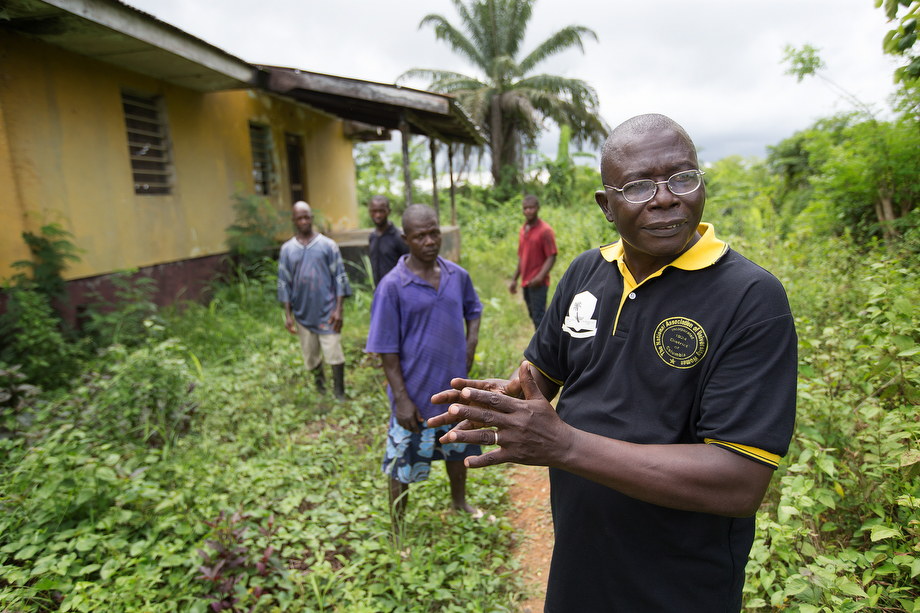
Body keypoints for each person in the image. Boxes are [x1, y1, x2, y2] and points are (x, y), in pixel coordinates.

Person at [428, 114, 798, 612]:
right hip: (580, 561)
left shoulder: (750, 298)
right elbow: (545, 371)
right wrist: (504, 401)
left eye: (682, 177)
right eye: (639, 186)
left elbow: (738, 482)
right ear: (607, 204)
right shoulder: (586, 272)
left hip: (678, 583)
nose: (666, 197)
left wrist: (565, 445)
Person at [365, 204, 484, 528]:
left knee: (458, 453)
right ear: (406, 238)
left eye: (434, 233)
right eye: (421, 236)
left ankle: (459, 504)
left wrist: (470, 344)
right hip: (415, 399)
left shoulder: (457, 276)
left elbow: (473, 310)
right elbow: (386, 352)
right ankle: (398, 529)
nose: (430, 241)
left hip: (454, 393)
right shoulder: (392, 286)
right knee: (401, 465)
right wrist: (401, 399)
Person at [278, 201, 353, 400]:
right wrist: (288, 314)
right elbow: (284, 282)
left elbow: (339, 277)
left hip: (327, 311)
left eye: (306, 217)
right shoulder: (287, 250)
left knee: (334, 353)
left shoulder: (328, 245)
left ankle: (339, 392)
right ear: (293, 221)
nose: (303, 221)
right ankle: (320, 387)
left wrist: (339, 309)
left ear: (312, 218)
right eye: (299, 218)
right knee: (311, 356)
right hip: (302, 313)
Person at [509, 194, 557, 328]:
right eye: (525, 208)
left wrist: (539, 278)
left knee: (539, 318)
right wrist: (514, 279)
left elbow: (552, 256)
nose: (528, 211)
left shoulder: (545, 230)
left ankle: (543, 347)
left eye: (531, 208)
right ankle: (545, 343)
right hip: (526, 282)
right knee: (533, 315)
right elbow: (521, 256)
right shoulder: (523, 229)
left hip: (538, 284)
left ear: (538, 208)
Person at [367, 195, 409, 287]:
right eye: (375, 211)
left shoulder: (398, 237)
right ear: (370, 212)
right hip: (379, 290)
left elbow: (409, 266)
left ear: (388, 211)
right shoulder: (372, 237)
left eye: (381, 211)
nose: (378, 215)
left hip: (397, 289)